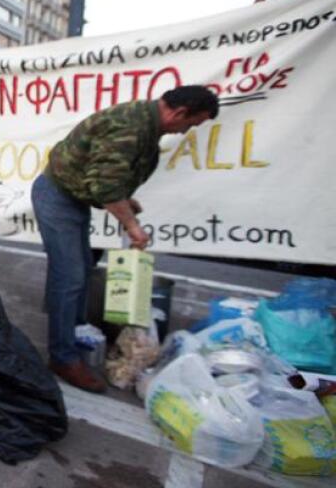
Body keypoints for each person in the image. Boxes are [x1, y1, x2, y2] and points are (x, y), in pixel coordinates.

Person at [33, 86, 219, 393]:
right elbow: (104, 184)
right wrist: (132, 226)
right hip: (57, 196)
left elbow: (109, 172)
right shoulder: (131, 127)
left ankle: (73, 332)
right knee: (71, 276)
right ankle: (63, 357)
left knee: (77, 269)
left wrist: (125, 199)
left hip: (73, 196)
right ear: (179, 113)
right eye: (190, 124)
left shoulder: (146, 124)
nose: (186, 131)